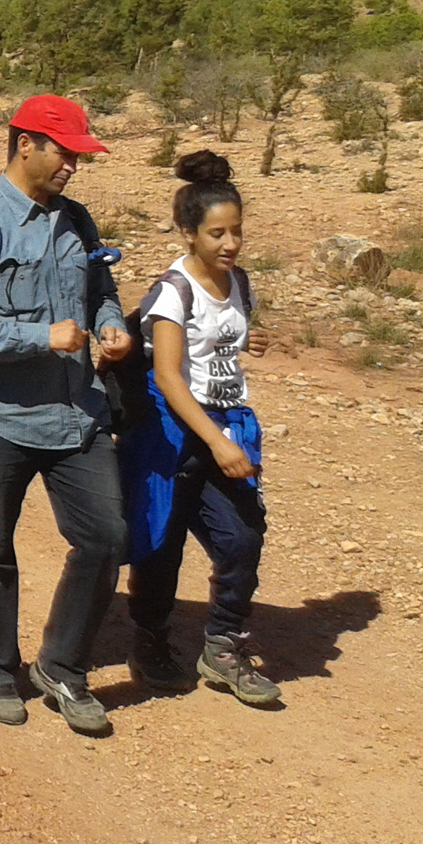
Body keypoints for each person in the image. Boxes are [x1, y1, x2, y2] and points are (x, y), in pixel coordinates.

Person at [0, 93, 131, 735]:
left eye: (78, 155)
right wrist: (41, 337)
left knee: (106, 537)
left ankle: (62, 666)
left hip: (75, 413)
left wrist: (111, 324)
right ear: (25, 145)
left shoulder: (78, 220)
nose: (73, 165)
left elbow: (100, 288)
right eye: (64, 152)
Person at [123, 151, 280, 707]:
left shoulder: (238, 281)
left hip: (225, 424)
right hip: (174, 434)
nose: (230, 243)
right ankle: (150, 640)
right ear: (189, 233)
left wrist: (247, 341)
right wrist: (215, 442)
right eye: (217, 233)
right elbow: (169, 376)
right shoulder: (174, 290)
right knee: (161, 542)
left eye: (237, 231)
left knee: (243, 537)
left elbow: (218, 344)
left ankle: (223, 645)